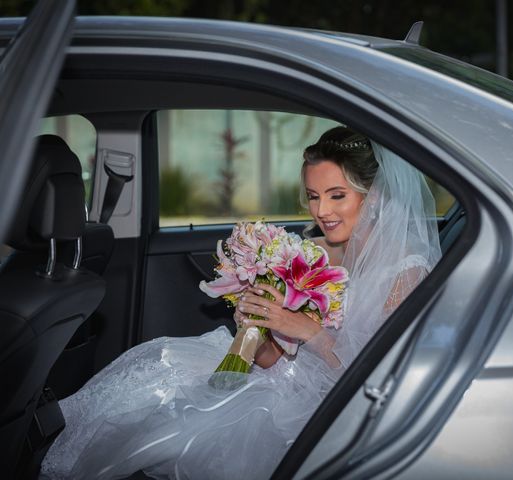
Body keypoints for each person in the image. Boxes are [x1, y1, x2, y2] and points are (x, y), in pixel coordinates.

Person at [40, 126, 442, 479]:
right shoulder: (315, 252)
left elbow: (387, 380)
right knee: (156, 366)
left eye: (337, 195)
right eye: (314, 196)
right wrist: (256, 326)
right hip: (284, 377)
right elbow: (273, 357)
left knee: (181, 421)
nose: (321, 211)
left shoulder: (407, 273)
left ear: (373, 197)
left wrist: (308, 331)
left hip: (326, 409)